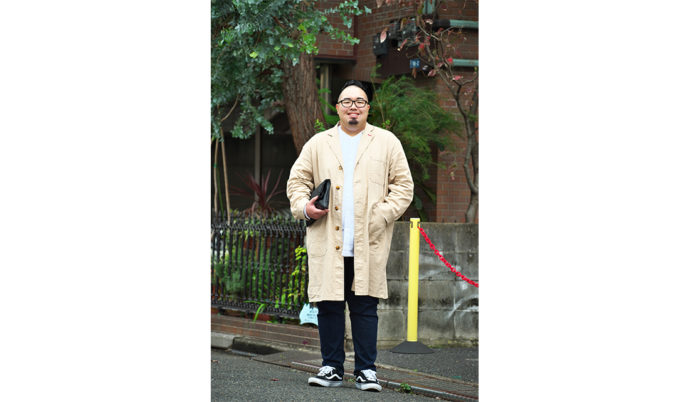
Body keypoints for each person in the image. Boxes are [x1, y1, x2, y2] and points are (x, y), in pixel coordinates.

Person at [286, 80, 413, 392]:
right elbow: (297, 180)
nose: (353, 107)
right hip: (328, 240)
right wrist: (305, 207)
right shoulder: (319, 143)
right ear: (338, 108)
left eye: (359, 101)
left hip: (368, 241)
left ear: (368, 107)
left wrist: (381, 215)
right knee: (329, 306)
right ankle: (331, 367)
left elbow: (403, 186)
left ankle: (366, 370)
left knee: (365, 308)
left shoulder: (387, 142)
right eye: (347, 101)